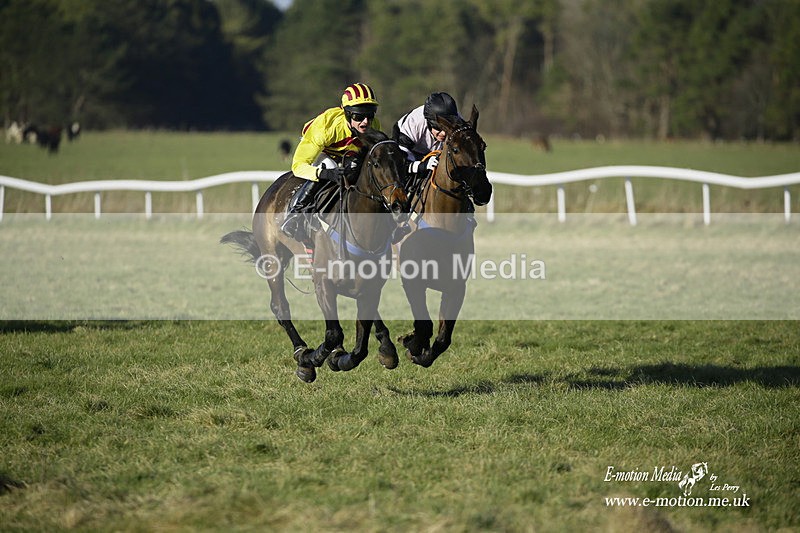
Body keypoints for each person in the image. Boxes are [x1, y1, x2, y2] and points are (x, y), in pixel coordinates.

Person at [281, 82, 382, 240]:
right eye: (358, 116)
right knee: (329, 165)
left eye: (370, 115)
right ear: (347, 114)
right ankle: (295, 214)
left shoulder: (373, 126)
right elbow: (298, 166)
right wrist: (325, 173)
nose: (365, 122)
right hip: (323, 149)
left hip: (347, 152)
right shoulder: (326, 128)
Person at [393, 92, 460, 187]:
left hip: (435, 152)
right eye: (439, 128)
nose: (444, 133)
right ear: (428, 122)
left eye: (446, 128)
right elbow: (399, 164)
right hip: (408, 152)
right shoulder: (413, 124)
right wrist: (422, 166)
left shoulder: (458, 123)